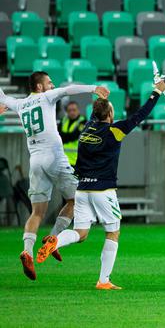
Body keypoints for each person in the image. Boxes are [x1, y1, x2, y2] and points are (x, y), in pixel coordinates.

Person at [37, 78, 165, 290]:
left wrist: (100, 99)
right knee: (113, 232)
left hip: (82, 189)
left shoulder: (86, 130)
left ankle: (56, 241)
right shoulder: (114, 130)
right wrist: (156, 91)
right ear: (108, 115)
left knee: (80, 234)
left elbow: (96, 114)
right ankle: (104, 280)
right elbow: (140, 115)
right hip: (103, 190)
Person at [0, 72, 109, 280]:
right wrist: (93, 88)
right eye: (49, 82)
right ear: (39, 87)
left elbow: (4, 99)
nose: (52, 85)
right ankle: (53, 238)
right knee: (75, 200)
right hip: (54, 157)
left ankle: (27, 251)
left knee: (37, 212)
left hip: (35, 160)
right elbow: (68, 90)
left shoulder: (21, 104)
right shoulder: (46, 97)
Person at [59, 101, 87, 168]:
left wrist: (64, 137)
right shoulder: (63, 120)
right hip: (64, 161)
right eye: (69, 110)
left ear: (78, 110)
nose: (72, 112)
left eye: (74, 110)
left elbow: (74, 136)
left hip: (77, 161)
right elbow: (58, 136)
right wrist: (65, 137)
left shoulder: (83, 121)